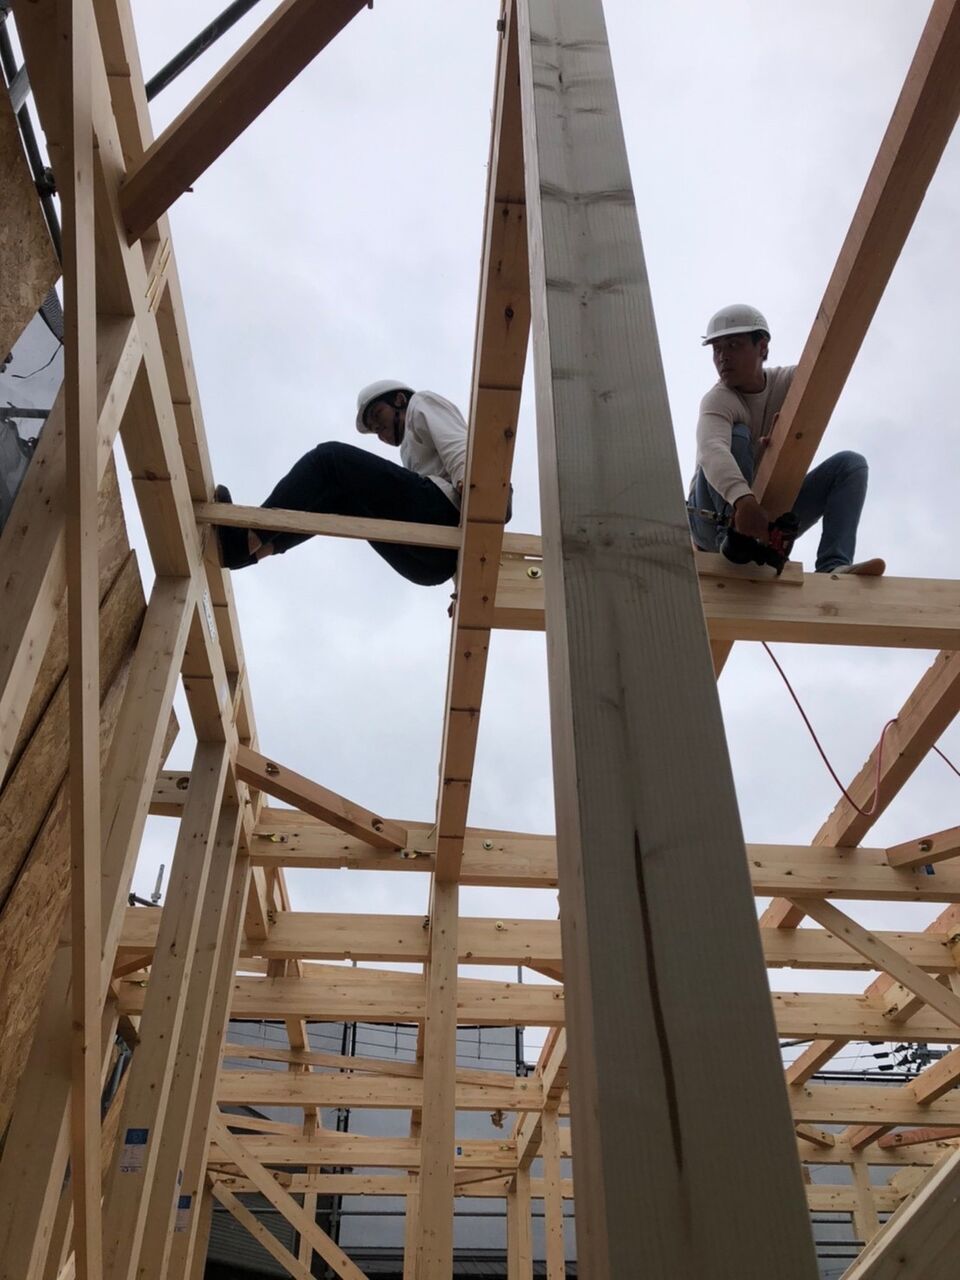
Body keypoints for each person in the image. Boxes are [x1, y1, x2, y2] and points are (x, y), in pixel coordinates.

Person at [215, 381, 476, 586]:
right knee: (339, 500)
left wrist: (475, 490)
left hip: (443, 516)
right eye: (375, 430)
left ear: (399, 399)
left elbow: (458, 445)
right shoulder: (409, 452)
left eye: (378, 416)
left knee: (328, 459)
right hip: (432, 566)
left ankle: (247, 539)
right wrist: (461, 586)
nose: (381, 432)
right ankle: (256, 552)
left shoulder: (421, 402)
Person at [687, 304, 883, 575]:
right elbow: (712, 449)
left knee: (850, 465)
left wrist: (794, 422)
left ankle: (833, 566)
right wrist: (743, 500)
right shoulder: (719, 400)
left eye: (733, 345)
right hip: (711, 521)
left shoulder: (790, 383)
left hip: (763, 513)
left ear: (762, 347)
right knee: (738, 435)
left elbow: (827, 368)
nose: (723, 357)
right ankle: (733, 540)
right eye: (717, 349)